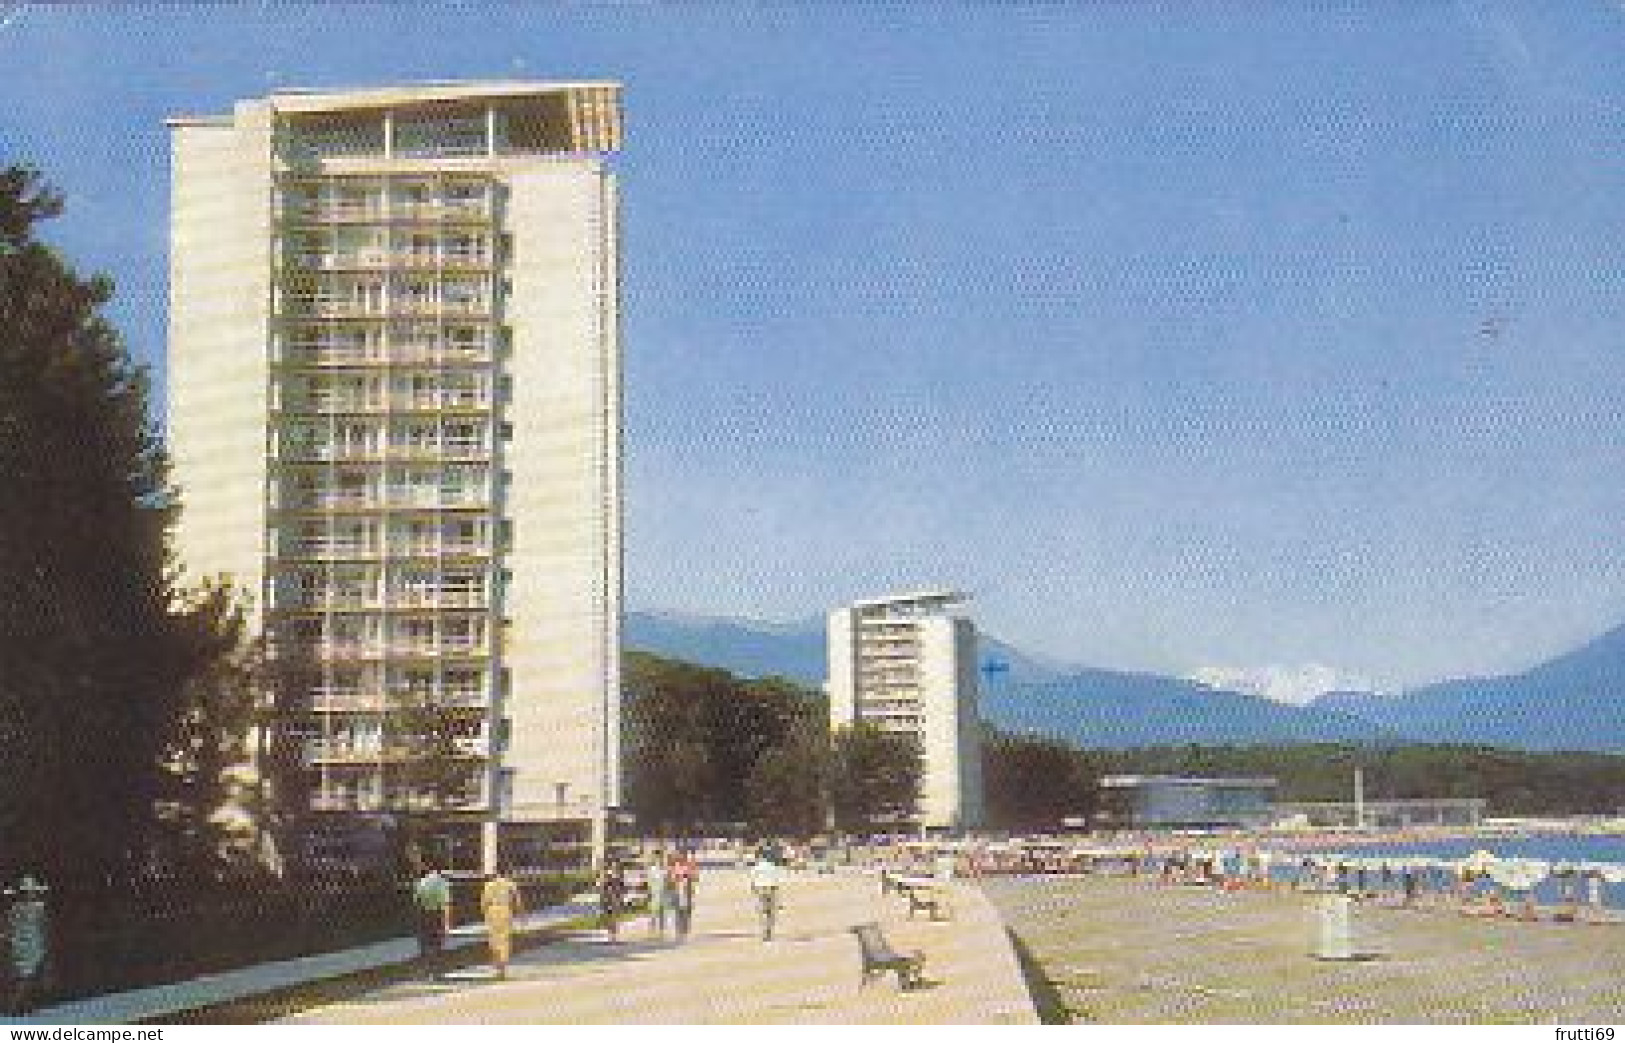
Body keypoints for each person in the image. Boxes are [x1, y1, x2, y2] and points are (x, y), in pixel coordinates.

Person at [7, 876, 49, 1015]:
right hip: (28, 946)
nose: (31, 894)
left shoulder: (16, 909)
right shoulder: (36, 908)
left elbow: (10, 928)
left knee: (29, 978)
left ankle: (26, 1006)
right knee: (26, 979)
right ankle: (14, 1007)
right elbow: (44, 927)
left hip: (29, 945)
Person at [480, 866, 524, 980]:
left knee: (493, 938)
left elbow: (484, 902)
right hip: (505, 909)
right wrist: (520, 915)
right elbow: (517, 901)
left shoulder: (488, 885)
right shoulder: (510, 885)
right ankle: (502, 967)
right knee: (504, 939)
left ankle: (497, 963)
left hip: (492, 910)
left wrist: (485, 915)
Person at [412, 864, 453, 980]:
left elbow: (417, 901)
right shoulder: (442, 883)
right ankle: (437, 970)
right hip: (437, 915)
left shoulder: (422, 882)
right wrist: (446, 923)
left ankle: (427, 969)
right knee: (437, 943)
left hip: (424, 915)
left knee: (426, 943)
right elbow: (446, 904)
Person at [749, 845, 784, 942]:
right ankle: (769, 931)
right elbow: (777, 880)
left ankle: (764, 931)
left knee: (762, 912)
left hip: (760, 889)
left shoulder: (757, 867)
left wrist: (754, 889)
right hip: (771, 889)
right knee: (771, 912)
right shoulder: (774, 867)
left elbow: (753, 879)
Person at [669, 848, 698, 940]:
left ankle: (685, 927)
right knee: (679, 910)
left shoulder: (688, 865)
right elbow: (672, 878)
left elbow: (693, 877)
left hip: (686, 889)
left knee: (687, 909)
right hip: (679, 889)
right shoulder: (676, 866)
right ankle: (680, 928)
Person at [598, 859, 626, 943]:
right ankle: (610, 935)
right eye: (613, 866)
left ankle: (613, 936)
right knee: (609, 918)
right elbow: (603, 888)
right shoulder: (607, 876)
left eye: (615, 866)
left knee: (614, 918)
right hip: (609, 899)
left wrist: (621, 898)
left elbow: (622, 888)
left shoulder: (619, 877)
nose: (614, 867)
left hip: (615, 899)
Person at [645, 850, 671, 939]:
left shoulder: (665, 869)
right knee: (653, 913)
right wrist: (648, 893)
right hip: (654, 893)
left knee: (662, 913)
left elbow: (668, 881)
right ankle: (651, 931)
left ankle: (661, 932)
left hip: (664, 893)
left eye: (659, 857)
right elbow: (648, 882)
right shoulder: (652, 869)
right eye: (656, 857)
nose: (658, 859)